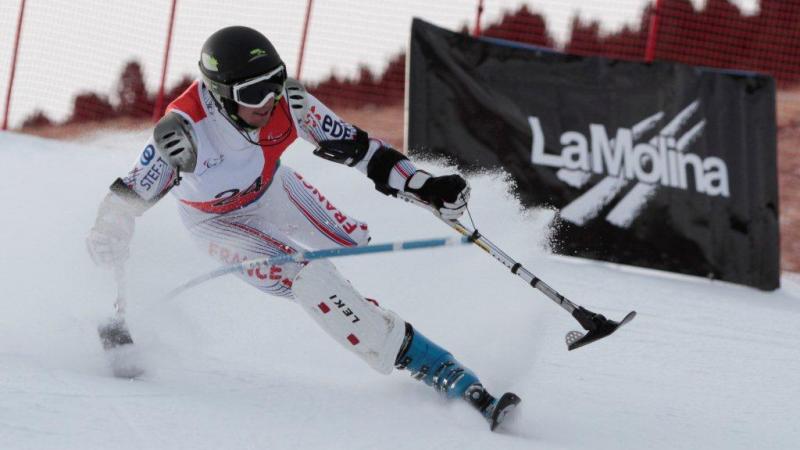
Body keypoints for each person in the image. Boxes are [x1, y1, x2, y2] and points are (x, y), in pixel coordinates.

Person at [86, 26, 520, 430]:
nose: (268, 100)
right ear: (220, 94)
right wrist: (114, 315)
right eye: (253, 92)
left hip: (273, 189)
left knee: (354, 241)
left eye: (276, 81)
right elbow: (121, 206)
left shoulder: (288, 103)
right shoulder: (184, 132)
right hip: (216, 222)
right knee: (309, 276)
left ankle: (357, 309)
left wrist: (423, 186)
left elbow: (361, 149)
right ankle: (432, 365)